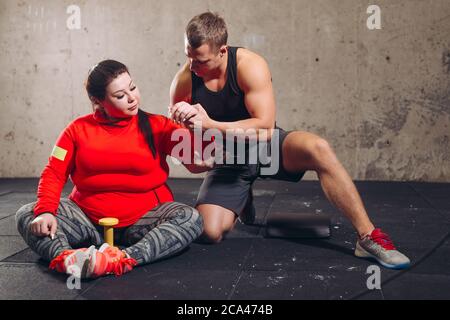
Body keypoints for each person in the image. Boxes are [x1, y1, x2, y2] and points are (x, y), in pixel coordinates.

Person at [168, 12, 410, 269]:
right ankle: (241, 197)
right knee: (209, 232)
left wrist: (211, 125)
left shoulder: (250, 66)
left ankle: (368, 237)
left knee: (318, 148)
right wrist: (198, 159)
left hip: (265, 146)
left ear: (222, 51)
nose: (192, 67)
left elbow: (265, 129)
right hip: (228, 159)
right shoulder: (184, 81)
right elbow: (179, 147)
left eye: (200, 61)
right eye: (188, 57)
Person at [15, 59, 205, 279]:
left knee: (191, 218)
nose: (132, 98)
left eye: (132, 88)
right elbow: (54, 172)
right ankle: (69, 259)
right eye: (120, 95)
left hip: (143, 221)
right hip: (86, 220)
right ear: (99, 101)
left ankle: (118, 259)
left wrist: (198, 127)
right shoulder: (76, 130)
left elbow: (199, 158)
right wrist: (46, 211)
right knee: (28, 214)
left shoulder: (158, 125)